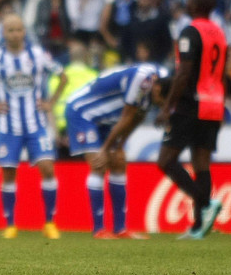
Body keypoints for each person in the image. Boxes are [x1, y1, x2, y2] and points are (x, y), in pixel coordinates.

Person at [0, 14, 67, 239]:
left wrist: (50, 102)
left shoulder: (38, 55)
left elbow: (63, 76)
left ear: (24, 32)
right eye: (10, 30)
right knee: (9, 173)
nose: (14, 34)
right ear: (4, 34)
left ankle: (50, 222)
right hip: (8, 126)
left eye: (18, 29)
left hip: (36, 124)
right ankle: (10, 224)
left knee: (48, 168)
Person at [66, 63, 170, 239]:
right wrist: (105, 149)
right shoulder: (142, 80)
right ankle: (99, 229)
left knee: (119, 162)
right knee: (99, 164)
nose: (159, 105)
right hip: (83, 112)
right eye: (160, 102)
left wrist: (121, 145)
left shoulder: (164, 78)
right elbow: (128, 116)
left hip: (108, 118)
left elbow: (139, 116)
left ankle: (120, 228)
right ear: (157, 88)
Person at [155, 0, 226, 239]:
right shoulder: (219, 33)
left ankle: (205, 205)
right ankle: (199, 226)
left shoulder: (190, 31)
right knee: (201, 163)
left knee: (165, 161)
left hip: (190, 104)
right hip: (214, 104)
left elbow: (184, 72)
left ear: (196, 3)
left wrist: (167, 106)